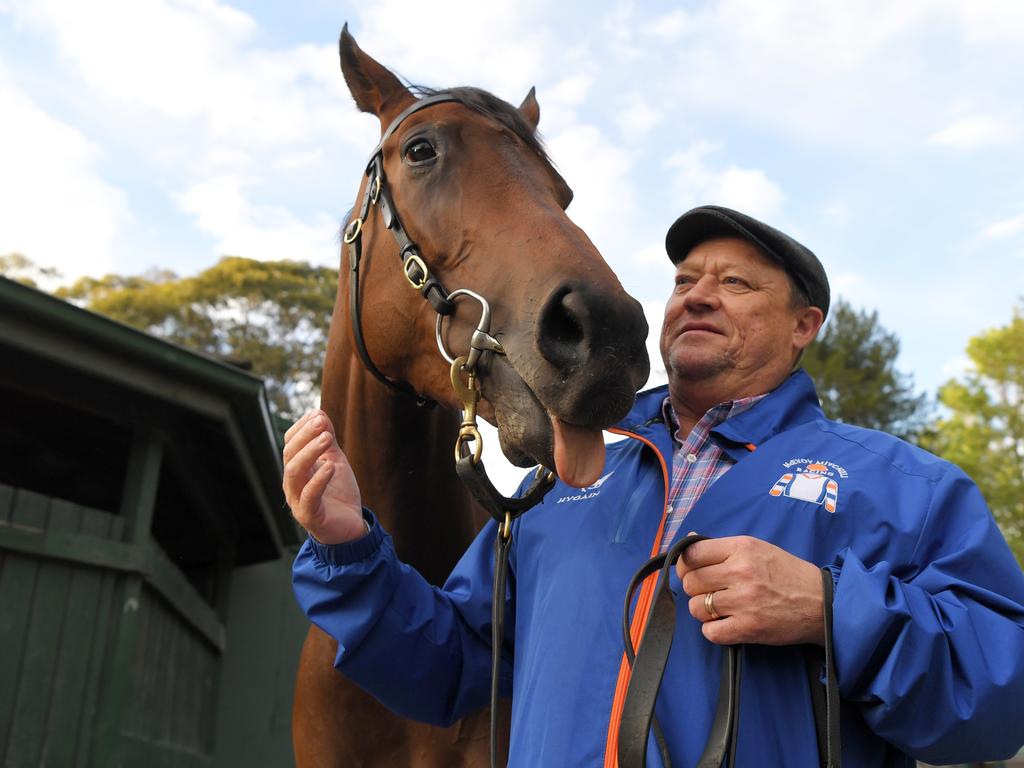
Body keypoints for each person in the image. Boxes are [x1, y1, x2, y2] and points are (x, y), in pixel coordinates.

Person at [287, 205, 1024, 767]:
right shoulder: (565, 479)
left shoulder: (903, 487)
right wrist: (349, 547)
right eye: (683, 281)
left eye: (734, 283)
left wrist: (832, 610)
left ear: (805, 326)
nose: (697, 296)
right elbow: (448, 667)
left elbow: (1002, 696)